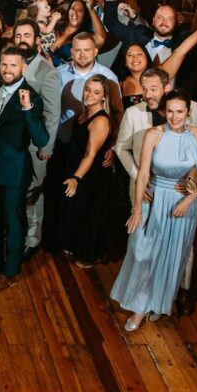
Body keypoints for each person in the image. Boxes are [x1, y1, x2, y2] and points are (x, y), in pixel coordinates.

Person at [110, 91, 197, 330]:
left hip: (182, 203)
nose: (174, 117)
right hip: (154, 199)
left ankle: (154, 303)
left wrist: (189, 199)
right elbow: (143, 173)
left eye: (179, 111)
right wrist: (137, 209)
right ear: (163, 112)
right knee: (142, 252)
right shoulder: (154, 135)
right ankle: (138, 306)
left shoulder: (196, 134)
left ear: (188, 113)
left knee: (171, 256)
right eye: (170, 111)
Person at [0, 47, 49, 294]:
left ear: (23, 68)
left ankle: (10, 272)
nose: (7, 70)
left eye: (13, 65)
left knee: (14, 224)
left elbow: (40, 138)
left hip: (15, 171)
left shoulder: (32, 98)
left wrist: (27, 109)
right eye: (4, 65)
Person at [13, 21, 61, 261]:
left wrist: (46, 147)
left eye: (27, 35)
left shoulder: (46, 71)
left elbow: (52, 115)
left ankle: (31, 240)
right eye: (18, 34)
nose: (22, 39)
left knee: (33, 193)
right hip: (12, 144)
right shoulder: (9, 63)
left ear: (35, 40)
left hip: (35, 145)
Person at [54, 75, 112, 268]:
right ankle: (71, 244)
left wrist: (76, 178)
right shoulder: (83, 111)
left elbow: (90, 154)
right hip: (76, 166)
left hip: (89, 174)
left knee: (87, 213)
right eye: (88, 89)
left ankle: (87, 253)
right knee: (74, 210)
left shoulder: (100, 120)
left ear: (104, 97)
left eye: (96, 92)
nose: (90, 94)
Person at [118, 11, 197, 105]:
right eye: (130, 55)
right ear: (124, 62)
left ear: (147, 58)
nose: (135, 58)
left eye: (139, 54)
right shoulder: (118, 84)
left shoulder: (158, 75)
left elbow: (181, 51)